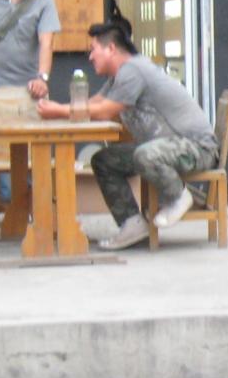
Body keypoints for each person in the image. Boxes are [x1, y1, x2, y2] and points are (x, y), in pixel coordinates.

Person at [38, 21, 217, 250]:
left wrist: (59, 111)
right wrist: (58, 111)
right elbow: (94, 103)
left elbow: (105, 111)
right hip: (162, 148)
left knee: (145, 154)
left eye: (93, 49)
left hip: (197, 148)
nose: (90, 57)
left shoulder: (133, 70)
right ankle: (132, 224)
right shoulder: (119, 76)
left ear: (111, 49)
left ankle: (177, 196)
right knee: (104, 160)